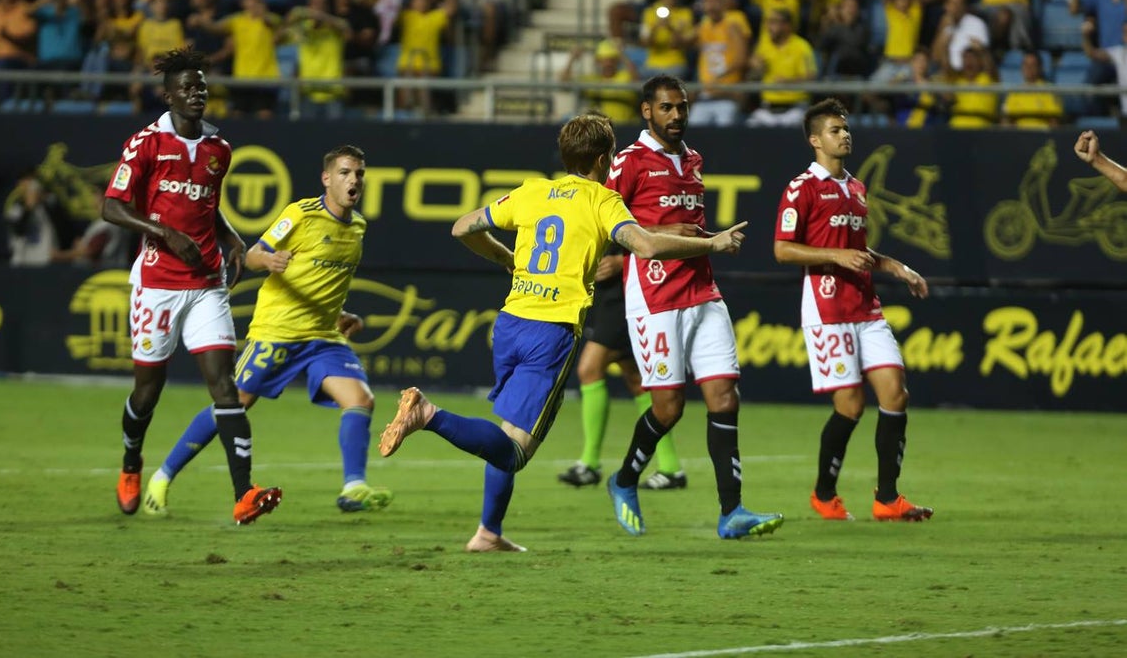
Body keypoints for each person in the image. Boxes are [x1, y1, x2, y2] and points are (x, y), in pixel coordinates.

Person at [377, 113, 751, 552]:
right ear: (602, 158)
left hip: (511, 322)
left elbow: (463, 227)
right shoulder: (600, 200)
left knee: (508, 428)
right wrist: (713, 244)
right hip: (550, 333)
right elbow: (646, 245)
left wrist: (505, 259)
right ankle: (427, 415)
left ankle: (488, 532)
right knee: (514, 451)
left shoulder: (533, 191)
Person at [142, 145, 393, 517]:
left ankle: (353, 487)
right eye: (344, 172)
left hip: (323, 335)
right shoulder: (301, 215)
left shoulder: (358, 226)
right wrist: (270, 260)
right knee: (234, 405)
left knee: (360, 400)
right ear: (327, 179)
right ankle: (161, 478)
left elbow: (322, 277)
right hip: (278, 331)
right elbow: (254, 254)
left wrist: (340, 312)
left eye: (358, 173)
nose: (353, 180)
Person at [102, 47, 281, 525]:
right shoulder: (146, 144)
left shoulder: (219, 150)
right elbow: (112, 208)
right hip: (157, 283)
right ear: (168, 95)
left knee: (226, 387)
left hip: (206, 283)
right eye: (187, 88)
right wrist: (164, 233)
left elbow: (205, 206)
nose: (197, 94)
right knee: (148, 391)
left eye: (202, 87)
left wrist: (232, 237)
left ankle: (245, 494)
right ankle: (131, 463)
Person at [604, 76, 785, 540]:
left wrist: (708, 242)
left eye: (682, 107)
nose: (677, 115)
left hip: (703, 291)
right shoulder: (628, 162)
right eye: (667, 108)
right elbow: (605, 221)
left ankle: (732, 512)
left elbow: (688, 229)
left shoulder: (693, 161)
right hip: (654, 298)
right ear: (647, 111)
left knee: (725, 397)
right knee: (668, 409)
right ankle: (624, 480)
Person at [773, 97, 933, 523]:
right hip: (827, 309)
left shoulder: (855, 187)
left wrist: (898, 268)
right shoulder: (801, 188)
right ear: (815, 140)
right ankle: (824, 494)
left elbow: (859, 252)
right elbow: (782, 249)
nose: (845, 135)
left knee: (896, 394)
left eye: (846, 129)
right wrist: (837, 257)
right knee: (849, 405)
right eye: (835, 130)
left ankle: (888, 499)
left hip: (866, 307)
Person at [557, 245, 687, 490]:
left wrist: (623, 261)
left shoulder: (632, 206)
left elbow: (659, 238)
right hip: (604, 295)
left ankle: (589, 463)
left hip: (628, 292)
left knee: (589, 369)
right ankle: (671, 468)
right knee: (638, 380)